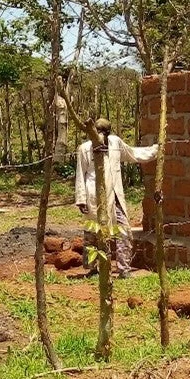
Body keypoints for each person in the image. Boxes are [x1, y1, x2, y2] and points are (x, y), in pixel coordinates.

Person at [74, 117, 159, 279]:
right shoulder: (85, 148)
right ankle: (93, 268)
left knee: (123, 231)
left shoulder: (115, 144)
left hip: (115, 194)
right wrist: (81, 198)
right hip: (94, 196)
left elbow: (133, 153)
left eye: (104, 133)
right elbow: (80, 173)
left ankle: (124, 269)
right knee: (93, 232)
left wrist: (155, 150)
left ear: (108, 133)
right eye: (98, 132)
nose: (101, 137)